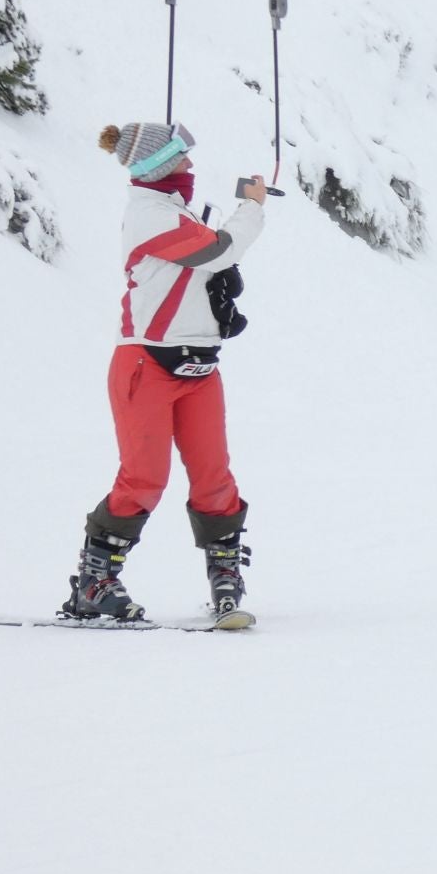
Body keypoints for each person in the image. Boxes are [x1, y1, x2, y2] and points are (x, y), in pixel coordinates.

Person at [63, 122, 267, 626]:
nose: (191, 168)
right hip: (145, 363)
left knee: (214, 477)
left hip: (199, 364)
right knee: (144, 477)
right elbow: (221, 249)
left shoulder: (172, 210)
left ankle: (225, 578)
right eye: (182, 160)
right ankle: (94, 584)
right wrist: (254, 207)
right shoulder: (148, 214)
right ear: (158, 168)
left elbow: (208, 259)